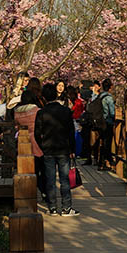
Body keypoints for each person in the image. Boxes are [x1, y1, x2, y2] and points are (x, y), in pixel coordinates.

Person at [34, 82, 79, 216]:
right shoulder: (65, 111)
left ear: (44, 97)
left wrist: (42, 145)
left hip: (48, 149)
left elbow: (37, 133)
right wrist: (72, 149)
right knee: (64, 179)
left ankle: (52, 207)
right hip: (63, 149)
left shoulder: (41, 113)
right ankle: (66, 207)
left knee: (50, 179)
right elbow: (71, 132)